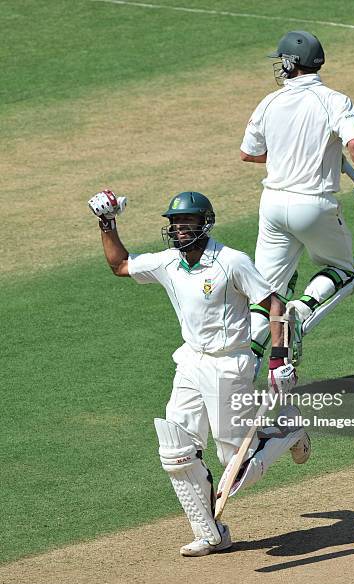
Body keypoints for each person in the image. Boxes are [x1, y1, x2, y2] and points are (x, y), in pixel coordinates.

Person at [87, 189, 310, 557]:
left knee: (237, 466)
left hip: (230, 364)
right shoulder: (168, 262)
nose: (179, 230)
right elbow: (120, 264)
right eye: (175, 224)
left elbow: (274, 305)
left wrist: (278, 359)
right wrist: (106, 223)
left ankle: (288, 431)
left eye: (187, 222)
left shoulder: (231, 261)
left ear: (205, 223)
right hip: (190, 361)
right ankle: (211, 533)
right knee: (176, 450)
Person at [241, 31, 354, 366]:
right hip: (314, 205)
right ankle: (301, 312)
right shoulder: (334, 100)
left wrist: (291, 153)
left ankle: (240, 367)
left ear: (290, 63)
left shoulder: (270, 101)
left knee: (267, 293)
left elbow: (249, 154)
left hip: (273, 206)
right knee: (342, 267)